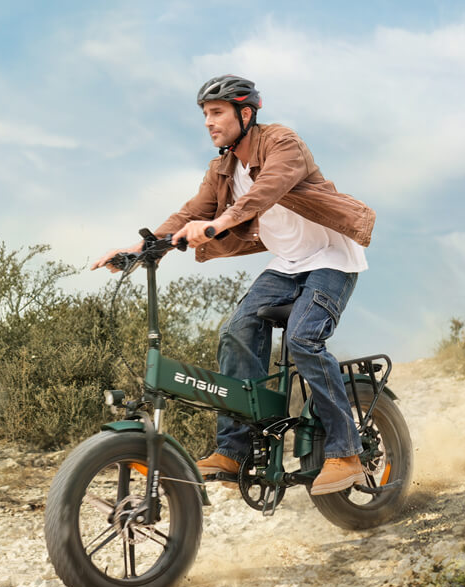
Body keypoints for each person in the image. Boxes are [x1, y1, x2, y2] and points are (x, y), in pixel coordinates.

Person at [92, 75, 375, 495]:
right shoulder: (222, 168)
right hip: (290, 263)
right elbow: (192, 211)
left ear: (246, 113)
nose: (209, 122)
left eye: (217, 112)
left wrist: (221, 223)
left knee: (303, 340)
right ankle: (237, 449)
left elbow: (268, 189)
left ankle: (346, 451)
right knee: (235, 332)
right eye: (205, 114)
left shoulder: (282, 142)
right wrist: (141, 247)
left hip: (332, 257)